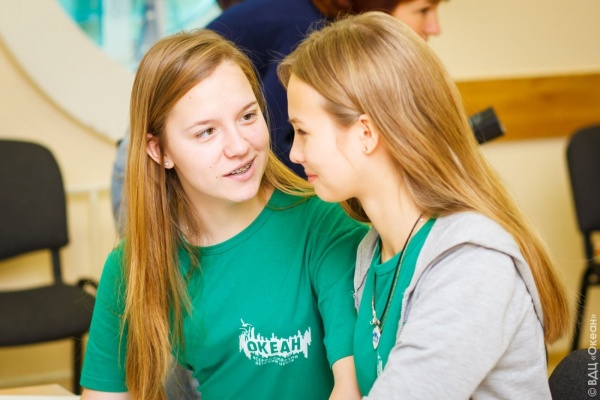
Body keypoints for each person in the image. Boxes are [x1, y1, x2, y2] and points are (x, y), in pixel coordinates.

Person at [279, 12, 572, 399]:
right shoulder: (373, 250)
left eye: (302, 131)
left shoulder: (472, 264)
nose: (295, 154)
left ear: (365, 133)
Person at [81, 29, 367, 399]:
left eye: (247, 116)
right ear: (159, 151)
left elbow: (353, 386)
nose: (239, 146)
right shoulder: (133, 265)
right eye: (206, 132)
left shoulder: (324, 223)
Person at [110, 0, 445, 232]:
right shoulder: (308, 31)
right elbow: (272, 137)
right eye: (423, 10)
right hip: (154, 155)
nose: (434, 26)